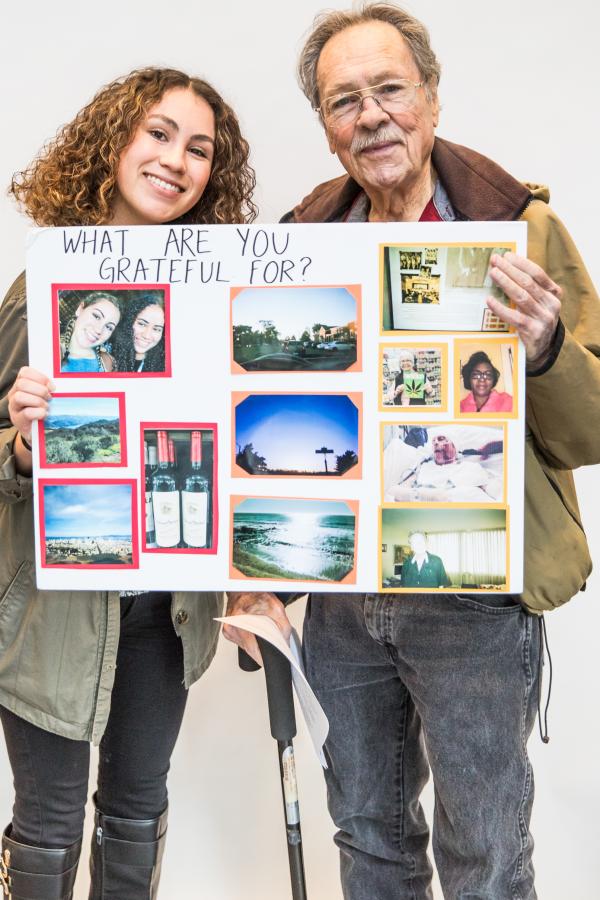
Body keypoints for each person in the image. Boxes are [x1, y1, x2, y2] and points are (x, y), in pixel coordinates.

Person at [225, 4, 600, 898]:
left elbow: (590, 430)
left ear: (431, 98)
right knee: (369, 840)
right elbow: (263, 419)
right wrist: (253, 572)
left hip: (473, 596)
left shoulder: (520, 231)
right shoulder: (299, 245)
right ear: (326, 127)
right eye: (344, 100)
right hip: (341, 601)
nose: (371, 116)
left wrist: (545, 347)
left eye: (390, 89)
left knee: (485, 854)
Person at [0, 67, 255, 898]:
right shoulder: (43, 289)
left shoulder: (214, 297)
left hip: (167, 609)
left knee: (138, 809)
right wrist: (23, 444)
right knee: (49, 818)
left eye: (199, 149)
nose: (176, 160)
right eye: (158, 133)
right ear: (112, 142)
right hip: (52, 612)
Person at [58, 291, 122, 373]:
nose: (99, 330)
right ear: (80, 309)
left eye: (109, 327)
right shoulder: (52, 352)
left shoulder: (108, 362)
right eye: (96, 316)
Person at [112, 293, 166, 372]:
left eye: (156, 329)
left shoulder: (164, 366)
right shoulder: (106, 358)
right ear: (129, 321)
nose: (146, 336)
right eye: (142, 324)